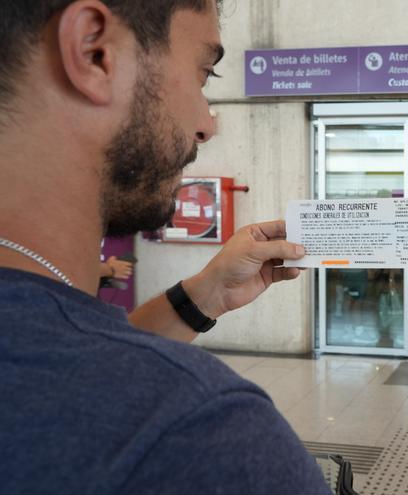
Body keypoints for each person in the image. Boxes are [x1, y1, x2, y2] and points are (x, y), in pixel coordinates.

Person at [0, 2, 330, 493]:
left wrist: (205, 294)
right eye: (203, 74)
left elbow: (82, 367)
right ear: (94, 53)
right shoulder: (198, 430)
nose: (207, 124)